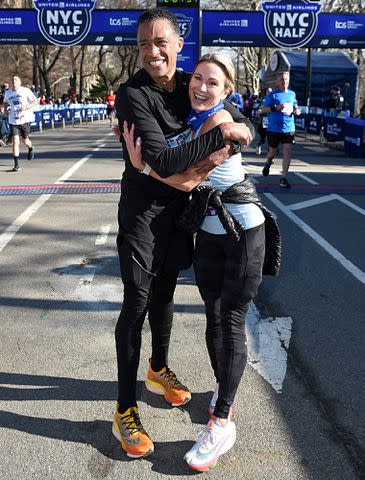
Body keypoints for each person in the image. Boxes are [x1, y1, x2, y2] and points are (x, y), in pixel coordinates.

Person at [123, 52, 276, 472]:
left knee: (229, 320)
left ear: (228, 92)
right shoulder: (194, 119)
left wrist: (143, 168)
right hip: (208, 232)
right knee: (213, 318)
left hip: (241, 229)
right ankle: (223, 391)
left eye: (213, 83)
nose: (201, 87)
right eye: (198, 79)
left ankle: (222, 421)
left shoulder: (219, 122)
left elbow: (186, 178)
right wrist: (149, 163)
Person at [261, 71, 301, 188]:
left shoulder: (292, 94)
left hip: (289, 128)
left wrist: (297, 110)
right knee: (272, 152)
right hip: (274, 128)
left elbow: (296, 106)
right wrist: (275, 108)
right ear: (278, 82)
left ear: (289, 80)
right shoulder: (273, 95)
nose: (284, 81)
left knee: (287, 151)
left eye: (286, 79)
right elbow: (264, 109)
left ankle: (284, 178)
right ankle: (268, 162)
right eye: (282, 79)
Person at [3, 74, 38, 172]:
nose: (14, 81)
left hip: (25, 119)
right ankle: (16, 165)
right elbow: (5, 102)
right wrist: (5, 110)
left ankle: (31, 148)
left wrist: (26, 106)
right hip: (13, 120)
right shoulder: (8, 92)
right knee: (15, 141)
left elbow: (35, 101)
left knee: (25, 140)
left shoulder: (25, 90)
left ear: (20, 82)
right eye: (13, 80)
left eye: (16, 80)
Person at [255, 87, 272, 155]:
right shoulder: (264, 101)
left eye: (271, 91)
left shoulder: (274, 100)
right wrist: (260, 110)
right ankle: (259, 144)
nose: (269, 93)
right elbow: (259, 109)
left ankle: (271, 152)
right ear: (266, 93)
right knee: (264, 138)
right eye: (268, 91)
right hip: (265, 120)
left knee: (272, 136)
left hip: (273, 120)